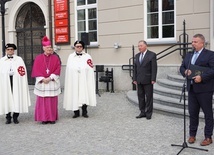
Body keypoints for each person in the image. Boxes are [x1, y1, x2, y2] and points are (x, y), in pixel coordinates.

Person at [180, 34, 214, 146]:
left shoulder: (210, 55)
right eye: (192, 41)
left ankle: (208, 137)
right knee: (192, 113)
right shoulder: (189, 54)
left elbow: (213, 70)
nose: (192, 44)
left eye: (195, 42)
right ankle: (192, 135)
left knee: (207, 114)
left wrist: (202, 77)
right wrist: (185, 72)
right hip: (192, 88)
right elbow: (182, 67)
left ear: (202, 43)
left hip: (205, 89)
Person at [31, 36, 61, 124]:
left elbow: (58, 68)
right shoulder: (38, 58)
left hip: (51, 82)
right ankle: (43, 118)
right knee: (43, 102)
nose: (49, 49)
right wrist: (42, 79)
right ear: (43, 48)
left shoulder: (55, 58)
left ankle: (52, 118)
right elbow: (36, 69)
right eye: (47, 47)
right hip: (43, 83)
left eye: (50, 47)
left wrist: (50, 77)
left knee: (52, 101)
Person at [63, 40, 97, 118]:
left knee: (84, 93)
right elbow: (69, 68)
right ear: (74, 47)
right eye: (77, 46)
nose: (78, 48)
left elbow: (90, 67)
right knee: (75, 94)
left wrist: (84, 71)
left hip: (84, 79)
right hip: (74, 79)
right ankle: (76, 112)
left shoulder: (87, 56)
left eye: (80, 46)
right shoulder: (71, 56)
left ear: (83, 47)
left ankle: (84, 111)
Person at [0, 43, 31, 124]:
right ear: (6, 51)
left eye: (11, 49)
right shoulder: (2, 60)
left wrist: (16, 74)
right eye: (8, 50)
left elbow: (22, 71)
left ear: (14, 51)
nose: (10, 51)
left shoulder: (19, 59)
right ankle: (8, 117)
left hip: (17, 81)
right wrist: (6, 73)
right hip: (6, 82)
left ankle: (15, 116)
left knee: (17, 97)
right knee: (7, 97)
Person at [133, 40, 157, 120]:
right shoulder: (137, 56)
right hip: (139, 80)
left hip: (148, 80)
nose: (139, 47)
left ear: (145, 46)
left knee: (149, 97)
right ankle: (142, 112)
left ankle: (149, 113)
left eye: (141, 46)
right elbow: (135, 68)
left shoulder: (152, 55)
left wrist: (153, 79)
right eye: (138, 46)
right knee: (140, 97)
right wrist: (134, 78)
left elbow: (154, 68)